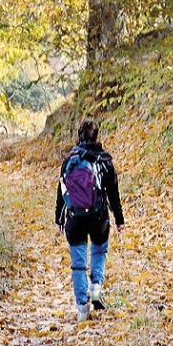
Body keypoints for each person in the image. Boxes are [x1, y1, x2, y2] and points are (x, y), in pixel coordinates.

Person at [55, 120, 125, 322]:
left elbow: (62, 191)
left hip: (75, 218)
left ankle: (82, 307)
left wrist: (59, 218)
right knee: (99, 251)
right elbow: (113, 194)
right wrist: (119, 220)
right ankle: (95, 286)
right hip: (98, 217)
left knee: (78, 264)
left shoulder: (69, 161)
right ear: (96, 137)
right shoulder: (104, 161)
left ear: (79, 137)